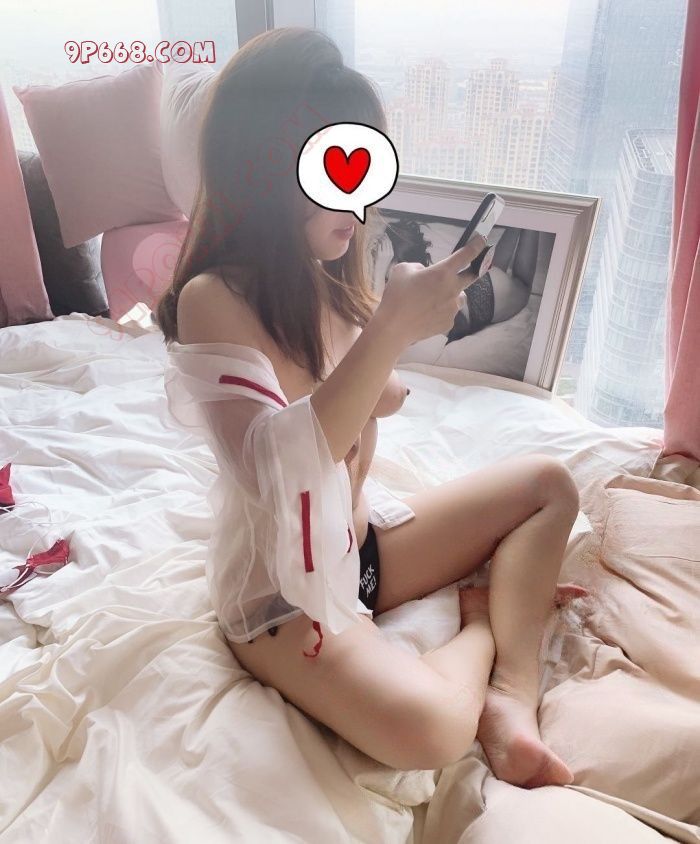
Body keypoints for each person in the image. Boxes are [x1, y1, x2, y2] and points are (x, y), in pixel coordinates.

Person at [155, 27, 583, 788]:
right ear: (264, 166)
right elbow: (276, 470)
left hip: (359, 553)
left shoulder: (325, 284)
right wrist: (387, 333)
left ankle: (511, 698)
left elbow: (355, 403)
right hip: (286, 600)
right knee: (428, 731)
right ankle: (483, 623)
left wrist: (388, 345)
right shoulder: (211, 298)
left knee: (550, 483)